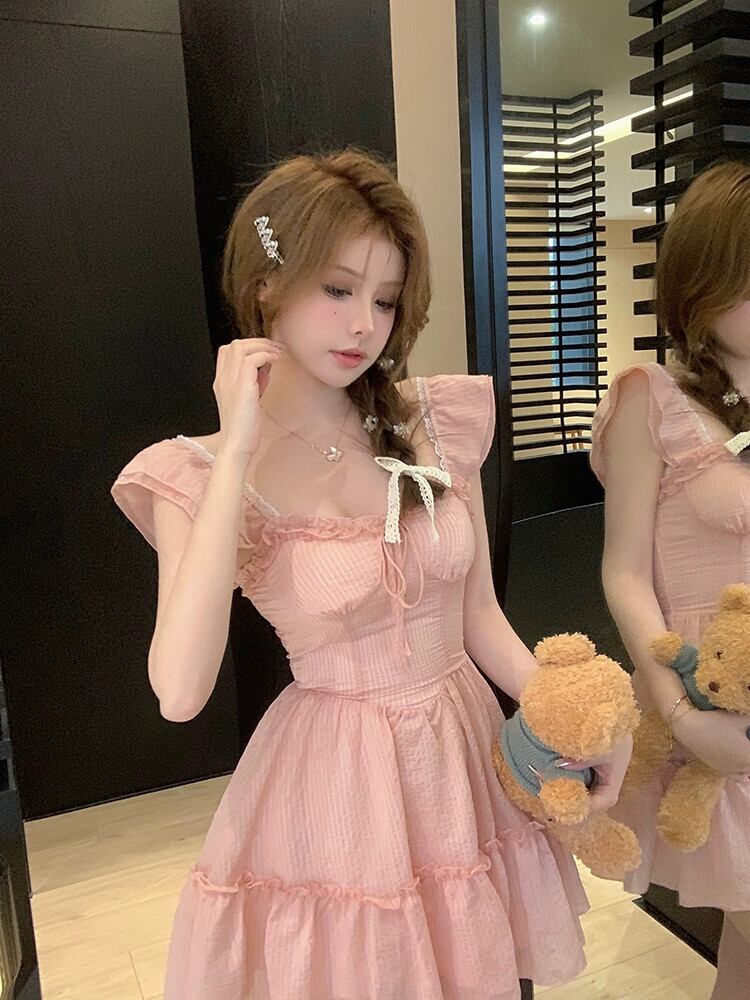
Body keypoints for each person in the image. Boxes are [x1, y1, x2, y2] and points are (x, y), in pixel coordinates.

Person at [111, 148, 630, 1000]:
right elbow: (180, 691)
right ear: (266, 285)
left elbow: (479, 620)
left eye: (385, 300)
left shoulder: (430, 421)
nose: (364, 326)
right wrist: (237, 447)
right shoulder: (194, 473)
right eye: (338, 289)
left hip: (463, 754)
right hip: (341, 784)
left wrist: (576, 719)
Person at [591, 160, 750, 999]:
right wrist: (681, 714)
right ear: (702, 284)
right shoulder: (651, 399)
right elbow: (624, 572)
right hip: (713, 710)